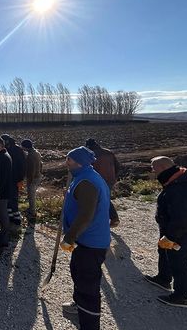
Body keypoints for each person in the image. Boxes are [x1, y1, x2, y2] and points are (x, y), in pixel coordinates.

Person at [60, 146, 111, 330]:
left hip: (90, 243)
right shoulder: (87, 176)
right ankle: (78, 305)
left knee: (88, 286)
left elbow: (86, 216)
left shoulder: (87, 182)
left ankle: (89, 324)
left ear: (79, 161)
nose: (66, 163)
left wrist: (69, 237)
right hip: (87, 241)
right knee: (78, 274)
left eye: (69, 160)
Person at [143, 156, 187, 308]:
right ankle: (163, 278)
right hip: (170, 228)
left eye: (154, 167)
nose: (152, 170)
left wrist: (171, 236)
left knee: (179, 262)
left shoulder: (182, 187)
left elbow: (184, 217)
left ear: (163, 168)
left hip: (179, 233)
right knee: (165, 253)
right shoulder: (176, 180)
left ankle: (182, 296)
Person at [85, 138, 122, 227]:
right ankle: (102, 219)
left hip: (99, 180)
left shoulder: (91, 155)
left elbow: (88, 169)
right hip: (110, 179)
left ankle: (113, 218)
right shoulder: (108, 152)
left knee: (102, 199)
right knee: (102, 198)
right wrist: (114, 176)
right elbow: (117, 165)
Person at [1, 134, 26, 225]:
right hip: (8, 178)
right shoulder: (7, 149)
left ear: (7, 141)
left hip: (15, 179)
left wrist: (20, 179)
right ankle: (10, 217)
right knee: (8, 198)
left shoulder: (17, 150)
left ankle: (17, 218)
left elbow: (22, 166)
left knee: (13, 198)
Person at [21, 139, 42, 224]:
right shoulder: (36, 152)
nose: (22, 148)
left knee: (31, 195)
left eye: (22, 146)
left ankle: (32, 213)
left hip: (34, 178)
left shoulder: (31, 156)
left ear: (26, 147)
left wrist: (29, 181)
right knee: (31, 195)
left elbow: (31, 170)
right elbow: (40, 164)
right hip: (38, 176)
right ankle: (31, 209)